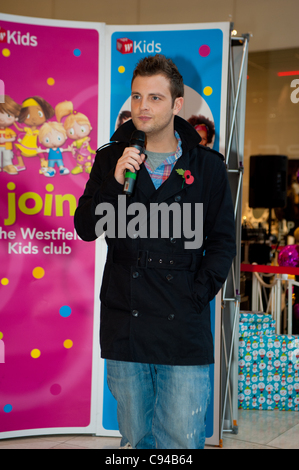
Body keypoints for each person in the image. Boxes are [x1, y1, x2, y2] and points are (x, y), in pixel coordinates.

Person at [74, 54, 236, 449]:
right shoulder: (111, 158)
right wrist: (113, 185)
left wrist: (196, 295)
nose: (142, 107)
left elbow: (222, 242)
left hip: (183, 323)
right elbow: (85, 229)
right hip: (125, 321)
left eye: (155, 98)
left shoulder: (209, 167)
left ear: (177, 104)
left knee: (180, 440)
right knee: (136, 437)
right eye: (136, 96)